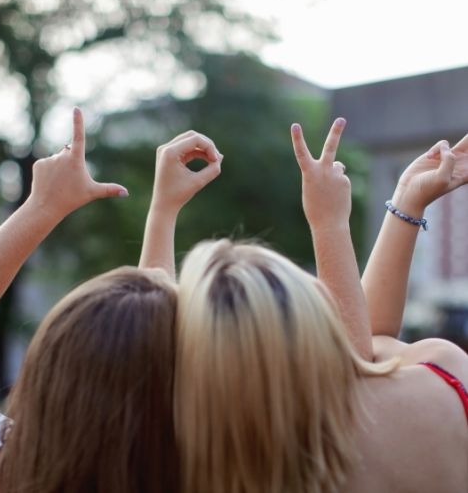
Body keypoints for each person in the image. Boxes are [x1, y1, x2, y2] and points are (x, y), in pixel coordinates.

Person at [142, 118, 467, 492]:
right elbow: (360, 355)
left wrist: (161, 213)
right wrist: (331, 224)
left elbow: (149, 358)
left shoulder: (184, 459)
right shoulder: (441, 379)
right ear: (314, 329)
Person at [0, 109, 222, 493]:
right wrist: (164, 211)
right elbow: (149, 351)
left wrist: (42, 206)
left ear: (45, 374)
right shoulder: (199, 475)